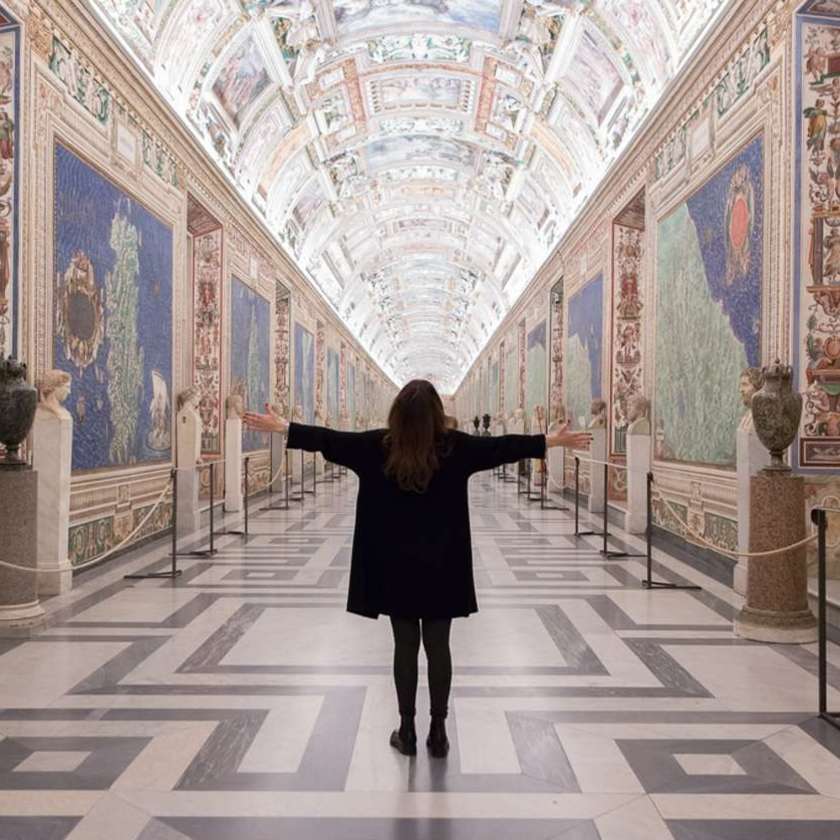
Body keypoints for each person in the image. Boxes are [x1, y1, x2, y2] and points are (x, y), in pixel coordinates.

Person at [244, 379, 591, 759]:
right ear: (438, 416)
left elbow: (330, 440)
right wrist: (549, 441)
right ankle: (438, 731)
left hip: (395, 568)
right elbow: (502, 447)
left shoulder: (376, 446)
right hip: (443, 566)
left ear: (397, 413)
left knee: (405, 646)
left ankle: (407, 729)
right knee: (439, 647)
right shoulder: (455, 448)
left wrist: (285, 428)